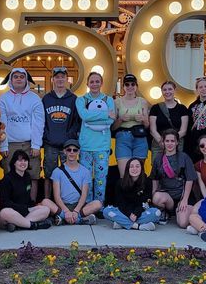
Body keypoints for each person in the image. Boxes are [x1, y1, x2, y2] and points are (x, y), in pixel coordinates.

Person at [0, 67, 44, 198]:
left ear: (26, 79)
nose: (19, 79)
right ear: (11, 80)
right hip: (11, 144)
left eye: (22, 77)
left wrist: (36, 144)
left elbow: (38, 123)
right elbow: (1, 124)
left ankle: (31, 203)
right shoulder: (3, 99)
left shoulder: (35, 99)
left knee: (33, 175)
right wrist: (3, 145)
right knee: (9, 174)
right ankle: (11, 204)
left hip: (30, 144)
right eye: (15, 76)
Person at [76, 71, 115, 204]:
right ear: (87, 83)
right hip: (86, 145)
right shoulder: (81, 100)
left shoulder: (109, 100)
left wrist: (91, 118)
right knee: (86, 178)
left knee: (100, 179)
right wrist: (105, 114)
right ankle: (86, 205)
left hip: (102, 146)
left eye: (97, 81)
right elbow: (84, 116)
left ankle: (98, 205)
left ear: (101, 83)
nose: (94, 84)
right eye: (92, 81)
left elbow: (111, 121)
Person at [41, 66, 81, 197]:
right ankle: (48, 200)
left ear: (67, 79)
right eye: (57, 77)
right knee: (49, 173)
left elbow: (77, 121)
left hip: (67, 145)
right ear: (53, 79)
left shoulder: (73, 99)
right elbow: (41, 120)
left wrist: (70, 137)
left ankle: (66, 200)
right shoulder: (46, 99)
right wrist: (46, 135)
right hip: (50, 143)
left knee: (67, 173)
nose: (60, 79)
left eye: (62, 77)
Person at [0, 149, 56, 232]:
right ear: (14, 163)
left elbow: (27, 199)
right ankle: (33, 225)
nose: (23, 163)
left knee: (45, 209)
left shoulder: (27, 177)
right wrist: (23, 209)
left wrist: (34, 205)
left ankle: (19, 225)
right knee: (6, 212)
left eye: (25, 160)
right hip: (11, 212)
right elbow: (5, 202)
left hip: (25, 211)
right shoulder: (7, 179)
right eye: (20, 160)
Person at [150, 130, 197, 228]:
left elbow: (190, 179)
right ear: (163, 142)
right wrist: (154, 194)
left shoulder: (184, 157)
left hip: (182, 196)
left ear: (177, 142)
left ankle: (182, 212)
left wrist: (185, 200)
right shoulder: (158, 158)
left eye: (172, 141)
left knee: (183, 223)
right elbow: (155, 178)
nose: (170, 144)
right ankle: (165, 212)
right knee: (157, 197)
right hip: (167, 197)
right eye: (167, 141)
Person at [102, 157, 161, 231]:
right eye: (131, 166)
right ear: (128, 169)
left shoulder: (147, 181)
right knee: (106, 211)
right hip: (125, 212)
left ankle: (122, 223)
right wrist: (129, 214)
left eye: (137, 166)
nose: (134, 169)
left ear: (141, 168)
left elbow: (147, 201)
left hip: (140, 212)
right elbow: (120, 203)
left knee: (157, 213)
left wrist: (136, 213)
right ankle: (138, 226)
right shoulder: (120, 183)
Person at [51, 139, 101, 225]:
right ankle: (79, 220)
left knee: (98, 204)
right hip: (63, 205)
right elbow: (56, 196)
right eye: (69, 150)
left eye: (75, 150)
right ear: (64, 151)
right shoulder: (57, 171)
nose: (72, 152)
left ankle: (64, 219)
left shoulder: (85, 171)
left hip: (79, 206)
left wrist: (76, 211)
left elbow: (84, 195)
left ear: (78, 152)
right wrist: (66, 211)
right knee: (45, 202)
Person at [113, 73, 150, 177]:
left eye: (132, 84)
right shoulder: (117, 102)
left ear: (136, 86)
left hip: (140, 137)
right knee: (124, 174)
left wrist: (143, 119)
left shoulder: (142, 102)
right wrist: (120, 119)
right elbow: (113, 127)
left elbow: (147, 126)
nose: (130, 87)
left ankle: (138, 193)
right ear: (123, 87)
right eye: (127, 84)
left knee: (138, 174)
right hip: (123, 137)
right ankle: (125, 193)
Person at [148, 81, 188, 161]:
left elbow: (183, 130)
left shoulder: (182, 108)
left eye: (170, 89)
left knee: (175, 170)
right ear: (162, 92)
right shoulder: (155, 108)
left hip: (177, 143)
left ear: (174, 91)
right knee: (158, 170)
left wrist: (172, 141)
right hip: (159, 143)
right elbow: (153, 130)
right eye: (164, 90)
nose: (167, 92)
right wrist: (162, 142)